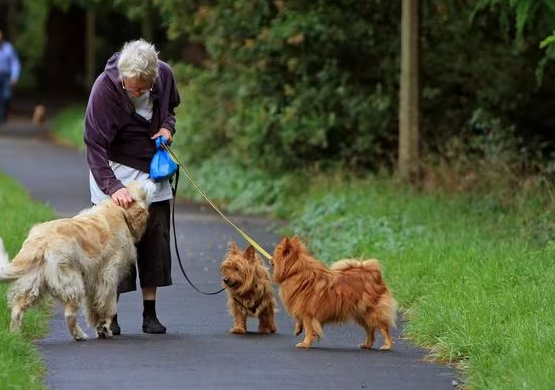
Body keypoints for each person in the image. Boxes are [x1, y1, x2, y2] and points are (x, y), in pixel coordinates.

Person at [83, 39, 181, 335]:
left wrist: (167, 128)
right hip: (115, 170)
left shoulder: (163, 74)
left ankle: (149, 313)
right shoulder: (105, 88)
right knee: (114, 247)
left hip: (153, 171)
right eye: (133, 87)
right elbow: (94, 144)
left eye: (143, 88)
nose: (138, 92)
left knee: (155, 238)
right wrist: (113, 187)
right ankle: (110, 315)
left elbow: (170, 111)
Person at [0, 28, 20, 124]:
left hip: (6, 77)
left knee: (6, 96)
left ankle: (4, 114)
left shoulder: (9, 48)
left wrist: (14, 76)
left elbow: (14, 63)